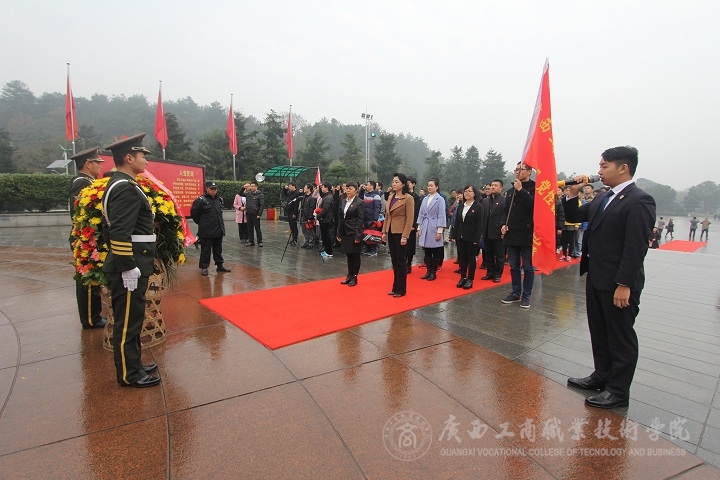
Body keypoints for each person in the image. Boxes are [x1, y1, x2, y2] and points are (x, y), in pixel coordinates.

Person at [564, 145, 656, 409]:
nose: (599, 171)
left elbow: (635, 246)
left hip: (618, 282)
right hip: (597, 277)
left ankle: (618, 390)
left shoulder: (639, 200)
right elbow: (574, 216)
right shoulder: (604, 198)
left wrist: (625, 284)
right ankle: (601, 375)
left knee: (620, 335)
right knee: (600, 330)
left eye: (605, 166)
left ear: (623, 168)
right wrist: (573, 193)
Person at [102, 133, 161, 388]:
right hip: (130, 264)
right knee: (128, 321)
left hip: (133, 260)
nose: (146, 161)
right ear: (128, 158)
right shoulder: (124, 187)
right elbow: (118, 231)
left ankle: (134, 363)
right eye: (142, 156)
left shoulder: (122, 183)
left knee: (133, 317)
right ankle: (130, 374)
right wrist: (127, 266)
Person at [68, 147, 106, 329]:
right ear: (88, 164)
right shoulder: (82, 182)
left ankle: (93, 315)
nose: (100, 166)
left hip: (87, 236)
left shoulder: (86, 181)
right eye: (97, 162)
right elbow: (79, 211)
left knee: (92, 277)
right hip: (86, 238)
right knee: (89, 277)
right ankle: (91, 319)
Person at [501, 162, 536, 309]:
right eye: (516, 169)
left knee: (528, 267)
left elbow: (533, 206)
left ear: (529, 171)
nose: (517, 172)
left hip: (527, 233)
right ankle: (516, 292)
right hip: (512, 233)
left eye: (521, 169)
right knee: (514, 266)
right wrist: (503, 224)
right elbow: (505, 211)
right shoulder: (510, 191)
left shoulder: (535, 188)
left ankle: (526, 295)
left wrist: (521, 190)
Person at [381, 173, 415, 297]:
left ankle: (401, 289)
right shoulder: (391, 196)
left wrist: (405, 236)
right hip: (391, 231)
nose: (394, 184)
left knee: (401, 261)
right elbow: (387, 216)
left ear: (403, 184)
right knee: (394, 260)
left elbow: (409, 218)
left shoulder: (408, 198)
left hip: (401, 233)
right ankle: (395, 287)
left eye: (397, 182)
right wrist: (384, 232)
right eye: (393, 181)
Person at [191, 181, 231, 276]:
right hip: (206, 230)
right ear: (207, 189)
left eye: (215, 189)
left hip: (218, 229)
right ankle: (204, 267)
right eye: (211, 189)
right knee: (206, 250)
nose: (214, 191)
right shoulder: (200, 200)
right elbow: (195, 215)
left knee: (218, 249)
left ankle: (220, 265)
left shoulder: (219, 199)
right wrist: (203, 223)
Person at [450, 185, 484, 290]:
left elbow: (480, 224)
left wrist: (477, 238)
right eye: (465, 191)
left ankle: (470, 279)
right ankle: (463, 277)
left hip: (471, 237)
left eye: (470, 191)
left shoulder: (478, 207)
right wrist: (454, 235)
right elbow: (457, 222)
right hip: (460, 236)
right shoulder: (461, 206)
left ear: (474, 193)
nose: (467, 193)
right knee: (462, 257)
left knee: (471, 258)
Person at [417, 178, 446, 281]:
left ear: (436, 187)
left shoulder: (440, 199)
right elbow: (421, 214)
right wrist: (419, 228)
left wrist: (439, 231)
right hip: (425, 225)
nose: (429, 187)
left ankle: (433, 272)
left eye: (432, 185)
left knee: (435, 250)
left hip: (434, 226)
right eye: (428, 185)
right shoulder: (425, 199)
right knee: (427, 250)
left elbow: (442, 215)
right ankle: (428, 271)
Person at [336, 182, 364, 286]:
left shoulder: (359, 202)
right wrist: (338, 232)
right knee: (348, 254)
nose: (348, 190)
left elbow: (360, 220)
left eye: (350, 189)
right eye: (347, 188)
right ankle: (349, 275)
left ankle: (354, 276)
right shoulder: (343, 201)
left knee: (355, 254)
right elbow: (340, 218)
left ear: (356, 190)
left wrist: (358, 235)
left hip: (354, 231)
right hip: (344, 231)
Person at [481, 179, 506, 283]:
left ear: (501, 188)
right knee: (488, 254)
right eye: (492, 185)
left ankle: (497, 274)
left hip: (497, 231)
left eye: (496, 185)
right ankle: (489, 272)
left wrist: (503, 227)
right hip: (486, 231)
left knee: (499, 255)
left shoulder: (504, 200)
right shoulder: (485, 201)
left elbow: (505, 216)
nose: (493, 187)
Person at [405, 176, 421, 273]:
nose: (407, 185)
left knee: (410, 245)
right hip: (403, 223)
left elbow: (417, 212)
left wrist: (414, 225)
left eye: (409, 183)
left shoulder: (416, 197)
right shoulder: (404, 195)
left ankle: (409, 264)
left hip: (411, 224)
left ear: (413, 184)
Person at [362, 180, 381, 256]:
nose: (366, 186)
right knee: (366, 234)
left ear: (372, 186)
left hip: (372, 219)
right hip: (365, 217)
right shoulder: (365, 195)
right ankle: (368, 248)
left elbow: (377, 208)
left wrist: (375, 219)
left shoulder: (376, 196)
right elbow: (360, 198)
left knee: (373, 234)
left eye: (368, 185)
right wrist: (362, 190)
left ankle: (374, 250)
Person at [316, 182, 335, 258]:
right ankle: (326, 250)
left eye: (323, 187)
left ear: (326, 188)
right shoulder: (326, 196)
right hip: (324, 219)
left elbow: (325, 209)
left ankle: (329, 252)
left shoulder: (328, 197)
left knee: (326, 236)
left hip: (326, 219)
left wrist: (318, 216)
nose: (321, 188)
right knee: (324, 236)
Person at [245, 181, 265, 247]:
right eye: (250, 186)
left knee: (257, 228)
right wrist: (243, 187)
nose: (251, 187)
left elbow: (262, 205)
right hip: (248, 213)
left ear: (256, 187)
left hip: (255, 214)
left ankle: (260, 241)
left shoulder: (260, 195)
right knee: (249, 228)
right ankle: (251, 241)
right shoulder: (248, 193)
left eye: (252, 186)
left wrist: (259, 214)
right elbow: (240, 194)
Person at [300, 183, 318, 249]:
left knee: (309, 230)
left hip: (309, 217)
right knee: (304, 230)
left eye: (305, 187)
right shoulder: (304, 196)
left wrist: (310, 217)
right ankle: (307, 241)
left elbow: (312, 208)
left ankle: (311, 242)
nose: (304, 189)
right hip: (304, 216)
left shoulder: (312, 197)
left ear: (309, 189)